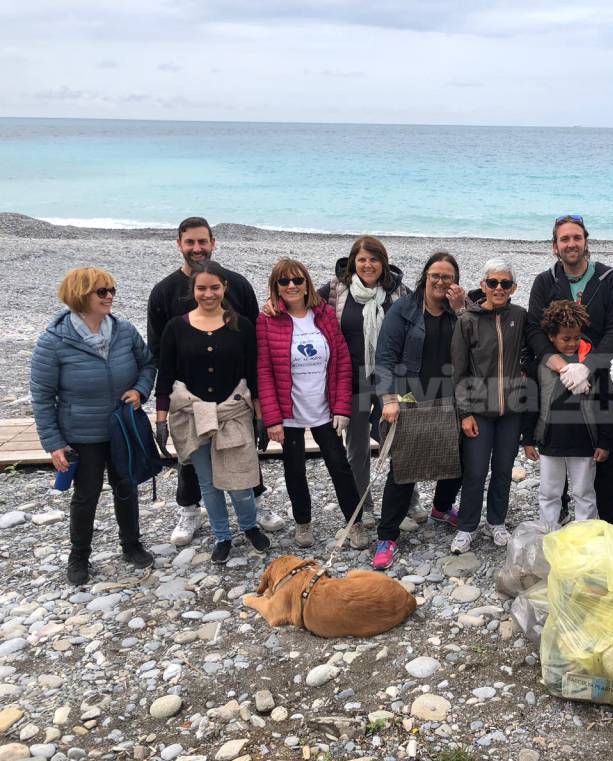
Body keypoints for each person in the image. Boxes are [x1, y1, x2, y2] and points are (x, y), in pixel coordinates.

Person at [148, 216, 284, 547]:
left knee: (243, 455)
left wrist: (262, 411)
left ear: (213, 243)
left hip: (234, 397)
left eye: (203, 242)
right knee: (195, 464)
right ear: (178, 244)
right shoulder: (164, 293)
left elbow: (256, 341)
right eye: (190, 242)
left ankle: (255, 504)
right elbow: (159, 353)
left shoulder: (237, 285)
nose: (197, 248)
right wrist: (162, 411)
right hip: (189, 398)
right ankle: (190, 508)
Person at [31, 268, 157, 585]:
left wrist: (140, 390)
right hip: (81, 433)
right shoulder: (54, 341)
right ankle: (79, 557)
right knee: (86, 495)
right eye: (102, 291)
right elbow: (42, 396)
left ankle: (131, 545)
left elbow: (148, 363)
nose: (110, 296)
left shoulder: (124, 330)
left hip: (121, 427)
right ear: (80, 295)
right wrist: (53, 442)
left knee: (126, 488)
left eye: (112, 289)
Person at [526, 214, 613, 527]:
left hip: (594, 376)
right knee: (556, 466)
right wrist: (558, 364)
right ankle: (557, 526)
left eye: (577, 237)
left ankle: (610, 526)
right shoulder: (545, 282)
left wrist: (588, 366)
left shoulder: (609, 278)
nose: (571, 244)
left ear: (586, 242)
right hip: (554, 378)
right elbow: (533, 329)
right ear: (555, 246)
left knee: (603, 460)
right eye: (564, 239)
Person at [258, 259, 364, 549]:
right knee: (294, 471)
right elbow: (264, 371)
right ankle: (302, 523)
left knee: (340, 466)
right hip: (289, 413)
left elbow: (342, 360)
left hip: (324, 409)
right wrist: (272, 420)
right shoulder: (267, 320)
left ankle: (355, 523)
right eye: (284, 282)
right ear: (276, 287)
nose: (291, 286)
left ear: (306, 284)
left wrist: (342, 408)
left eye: (297, 280)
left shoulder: (325, 314)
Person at [371, 252, 467, 570]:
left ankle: (441, 507)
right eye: (435, 275)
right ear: (425, 277)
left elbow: (476, 348)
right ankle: (387, 536)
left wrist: (462, 310)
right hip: (411, 396)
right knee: (404, 469)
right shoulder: (405, 310)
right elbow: (385, 356)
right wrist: (387, 398)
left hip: (450, 397)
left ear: (455, 282)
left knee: (457, 459)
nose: (441, 282)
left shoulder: (459, 312)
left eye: (447, 277)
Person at [317, 236, 412, 528]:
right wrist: (274, 304)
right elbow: (300, 306)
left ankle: (409, 500)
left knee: (399, 441)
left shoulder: (399, 294)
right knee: (357, 448)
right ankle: (363, 504)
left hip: (390, 379)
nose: (368, 265)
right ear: (353, 262)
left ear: (384, 263)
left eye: (374, 259)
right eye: (362, 259)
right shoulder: (336, 290)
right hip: (353, 379)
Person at [449, 259, 530, 553]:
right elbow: (458, 372)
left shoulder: (519, 316)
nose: (498, 288)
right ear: (483, 285)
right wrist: (465, 413)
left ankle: (497, 522)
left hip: (510, 412)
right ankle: (467, 527)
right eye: (493, 282)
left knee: (503, 469)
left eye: (505, 284)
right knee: (475, 470)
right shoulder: (467, 321)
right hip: (479, 412)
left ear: (513, 288)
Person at [523, 301, 613, 530]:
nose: (572, 343)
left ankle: (585, 537)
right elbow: (531, 404)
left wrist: (604, 441)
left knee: (584, 492)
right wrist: (528, 439)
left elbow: (606, 405)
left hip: (585, 443)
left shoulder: (594, 366)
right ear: (551, 337)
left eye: (576, 337)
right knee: (549, 492)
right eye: (566, 338)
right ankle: (549, 535)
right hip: (550, 442)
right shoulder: (539, 367)